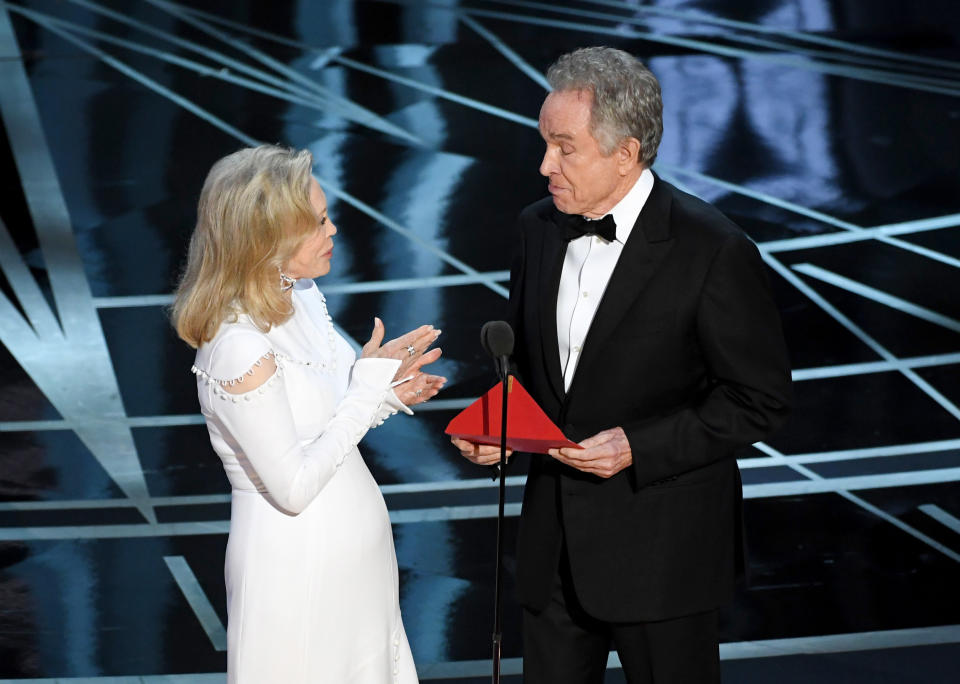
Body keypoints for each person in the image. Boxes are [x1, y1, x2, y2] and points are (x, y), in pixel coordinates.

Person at [453, 47, 793, 683]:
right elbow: (529, 364)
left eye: (564, 148)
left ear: (626, 153)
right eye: (544, 143)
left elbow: (759, 398)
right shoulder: (538, 227)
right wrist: (494, 423)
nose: (544, 165)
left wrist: (638, 446)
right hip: (551, 553)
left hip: (663, 558)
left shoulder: (712, 249)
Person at [173, 144, 444, 683]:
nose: (333, 229)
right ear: (266, 238)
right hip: (298, 573)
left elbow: (336, 414)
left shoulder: (300, 295)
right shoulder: (238, 347)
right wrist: (367, 393)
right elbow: (293, 487)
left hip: (357, 568)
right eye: (318, 221)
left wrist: (384, 393)